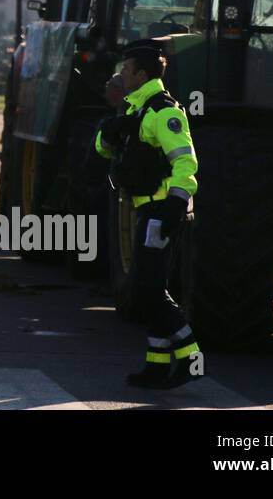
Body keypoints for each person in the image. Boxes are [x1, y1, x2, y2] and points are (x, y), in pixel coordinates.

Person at [95, 40, 201, 389]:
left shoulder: (163, 111)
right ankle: (157, 365)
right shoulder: (134, 109)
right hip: (145, 209)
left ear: (141, 74)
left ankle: (191, 356)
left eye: (126, 70)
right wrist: (108, 132)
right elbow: (105, 149)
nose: (121, 75)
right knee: (151, 289)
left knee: (148, 291)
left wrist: (176, 202)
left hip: (161, 211)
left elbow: (185, 162)